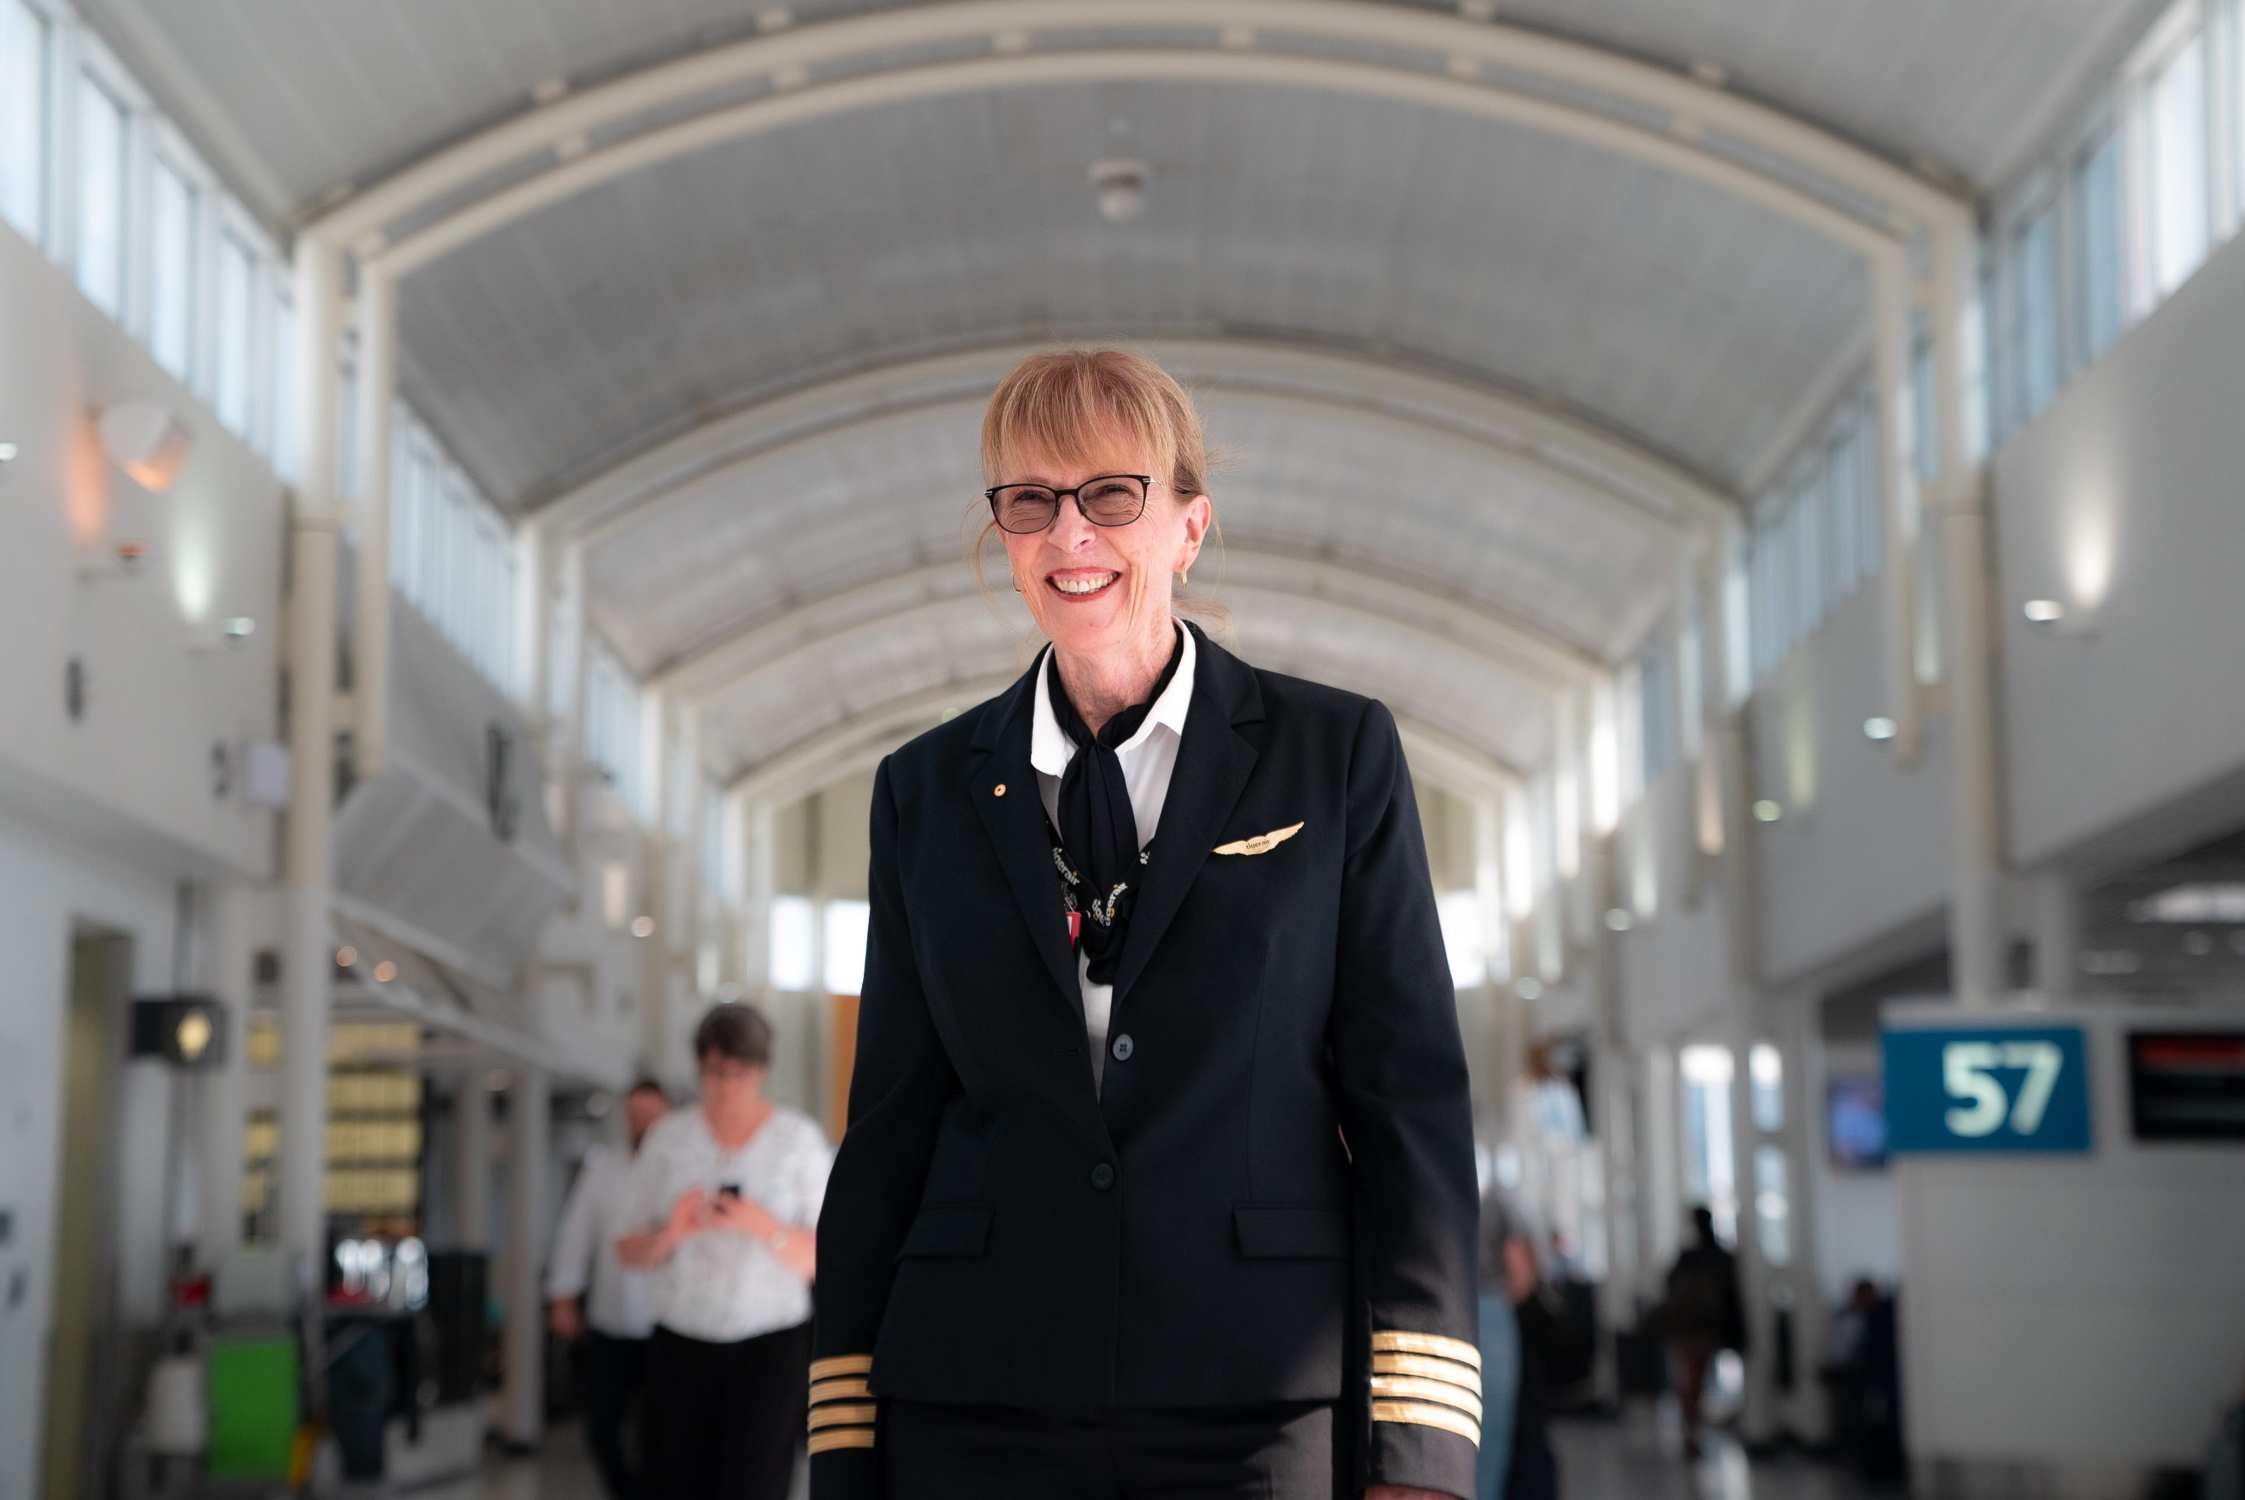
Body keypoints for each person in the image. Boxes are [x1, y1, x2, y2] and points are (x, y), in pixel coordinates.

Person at [810, 349, 1481, 1500]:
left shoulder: (1334, 755)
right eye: (1031, 502)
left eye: (1110, 496)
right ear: (1004, 538)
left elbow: (1407, 1100)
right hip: (972, 1398)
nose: (1069, 535)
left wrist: (1419, 1447)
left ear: (1188, 525)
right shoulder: (922, 791)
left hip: (1255, 1393)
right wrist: (844, 1432)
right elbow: (889, 1130)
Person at [618, 1004, 834, 1497]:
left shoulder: (797, 1141)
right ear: (701, 1069)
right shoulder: (668, 1140)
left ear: (762, 1071)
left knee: (755, 1483)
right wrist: (673, 1231)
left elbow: (829, 1260)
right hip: (681, 1339)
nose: (729, 1086)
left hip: (769, 1343)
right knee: (673, 1481)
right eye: (717, 1072)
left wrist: (765, 1227)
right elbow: (626, 1251)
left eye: (742, 1072)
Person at [546, 1078, 668, 1500]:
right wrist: (563, 1295)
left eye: (652, 1116)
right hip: (609, 1320)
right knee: (602, 1424)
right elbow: (576, 1233)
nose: (644, 1124)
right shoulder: (604, 1167)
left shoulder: (682, 1167)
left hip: (665, 1325)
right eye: (636, 1116)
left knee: (661, 1429)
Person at [1662, 1205, 1745, 1460]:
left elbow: (1670, 1284)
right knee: (1695, 1380)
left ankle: (1692, 1430)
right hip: (1704, 1328)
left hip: (1691, 1328)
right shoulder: (1718, 1255)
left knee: (1692, 1381)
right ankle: (1692, 1430)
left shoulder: (1690, 1256)